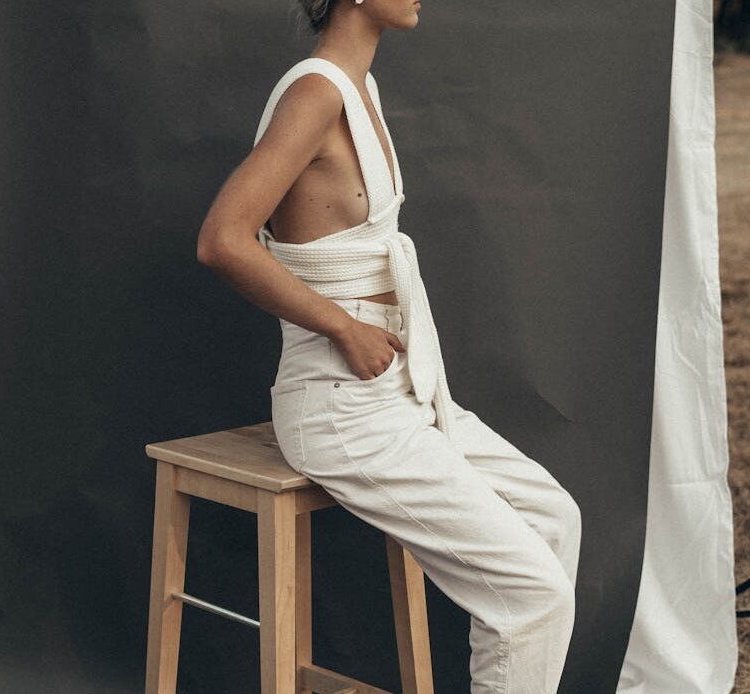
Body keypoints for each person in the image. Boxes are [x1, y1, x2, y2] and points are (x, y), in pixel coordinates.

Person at [196, 2, 582, 692]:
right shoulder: (316, 94)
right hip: (340, 409)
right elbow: (222, 239)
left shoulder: (359, 86)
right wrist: (341, 326)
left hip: (401, 395)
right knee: (532, 595)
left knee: (554, 519)